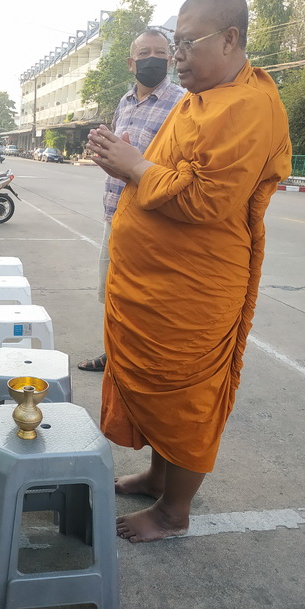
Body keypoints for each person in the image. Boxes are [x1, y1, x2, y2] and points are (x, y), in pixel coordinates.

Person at [87, 0, 291, 543]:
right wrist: (127, 161)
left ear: (230, 39)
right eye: (173, 44)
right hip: (151, 282)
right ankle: (159, 477)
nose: (176, 56)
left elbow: (205, 199)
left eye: (186, 44)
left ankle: (173, 511)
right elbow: (170, 167)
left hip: (194, 289)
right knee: (159, 396)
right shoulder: (200, 98)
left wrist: (134, 167)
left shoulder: (247, 106)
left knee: (186, 399)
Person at [78, 29, 184, 371]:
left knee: (145, 298)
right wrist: (105, 153)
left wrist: (134, 164)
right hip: (115, 213)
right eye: (144, 53)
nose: (153, 59)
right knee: (112, 290)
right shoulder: (124, 102)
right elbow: (120, 153)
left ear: (170, 60)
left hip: (152, 218)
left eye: (160, 53)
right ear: (130, 63)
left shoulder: (183, 104)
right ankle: (114, 354)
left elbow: (178, 165)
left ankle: (142, 362)